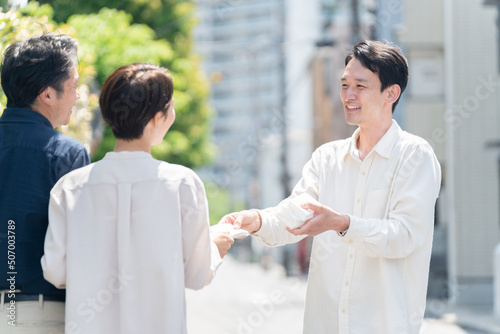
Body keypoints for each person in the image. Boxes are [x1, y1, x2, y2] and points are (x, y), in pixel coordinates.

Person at [221, 40, 441, 334]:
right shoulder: (327, 158)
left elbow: (405, 236)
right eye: (344, 84)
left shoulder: (414, 156)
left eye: (360, 86)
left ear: (392, 93)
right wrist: (256, 221)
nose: (348, 95)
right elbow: (294, 216)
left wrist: (343, 224)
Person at [41, 62, 234, 334]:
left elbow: (55, 271)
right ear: (157, 118)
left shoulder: (69, 188)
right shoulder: (182, 183)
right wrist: (214, 246)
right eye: (171, 107)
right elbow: (197, 274)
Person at [0, 33, 90, 333]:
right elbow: (83, 247)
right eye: (74, 86)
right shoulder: (67, 154)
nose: (78, 95)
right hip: (38, 314)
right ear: (47, 94)